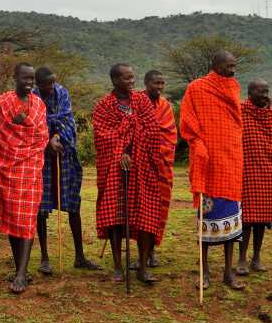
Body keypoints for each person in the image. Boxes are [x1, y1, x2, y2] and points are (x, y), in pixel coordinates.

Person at [93, 63, 165, 284]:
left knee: (145, 216)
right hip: (115, 169)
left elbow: (152, 130)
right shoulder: (104, 106)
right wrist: (120, 154)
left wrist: (132, 151)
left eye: (133, 78)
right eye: (127, 78)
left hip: (142, 167)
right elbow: (103, 136)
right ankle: (117, 267)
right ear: (115, 80)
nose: (132, 82)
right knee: (115, 216)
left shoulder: (142, 101)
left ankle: (142, 267)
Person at [179, 51, 245, 291]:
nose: (233, 70)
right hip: (207, 164)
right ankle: (204, 272)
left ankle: (228, 272)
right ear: (216, 66)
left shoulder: (234, 87)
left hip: (230, 162)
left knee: (233, 224)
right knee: (205, 220)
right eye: (229, 66)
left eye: (234, 66)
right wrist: (198, 144)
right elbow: (187, 122)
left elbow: (236, 123)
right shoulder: (196, 88)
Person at [0, 63, 50, 293]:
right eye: (25, 78)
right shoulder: (2, 103)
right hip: (6, 168)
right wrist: (13, 123)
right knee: (14, 218)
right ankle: (19, 267)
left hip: (31, 168)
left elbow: (42, 135)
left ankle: (22, 274)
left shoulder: (39, 105)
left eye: (32, 79)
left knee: (27, 218)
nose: (29, 82)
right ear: (14, 77)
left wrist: (26, 125)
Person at [33, 67, 100, 273]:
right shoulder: (33, 97)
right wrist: (46, 141)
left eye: (53, 82)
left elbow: (67, 120)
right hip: (41, 158)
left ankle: (79, 256)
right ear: (38, 84)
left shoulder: (62, 94)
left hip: (64, 154)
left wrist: (57, 137)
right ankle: (44, 258)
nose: (51, 87)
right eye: (47, 84)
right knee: (41, 208)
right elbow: (33, 125)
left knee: (73, 204)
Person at [236, 79, 272, 276]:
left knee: (262, 219)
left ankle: (257, 257)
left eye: (267, 91)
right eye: (261, 91)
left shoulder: (271, 114)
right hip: (246, 171)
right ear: (250, 93)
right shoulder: (240, 111)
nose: (265, 95)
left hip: (266, 170)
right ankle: (242, 258)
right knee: (246, 218)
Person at [142, 70, 177, 269]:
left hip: (161, 167)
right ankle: (141, 253)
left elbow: (171, 136)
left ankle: (152, 250)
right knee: (141, 210)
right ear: (146, 83)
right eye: (156, 83)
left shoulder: (165, 107)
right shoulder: (136, 103)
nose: (160, 87)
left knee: (158, 209)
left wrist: (155, 151)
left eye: (162, 83)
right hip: (141, 166)